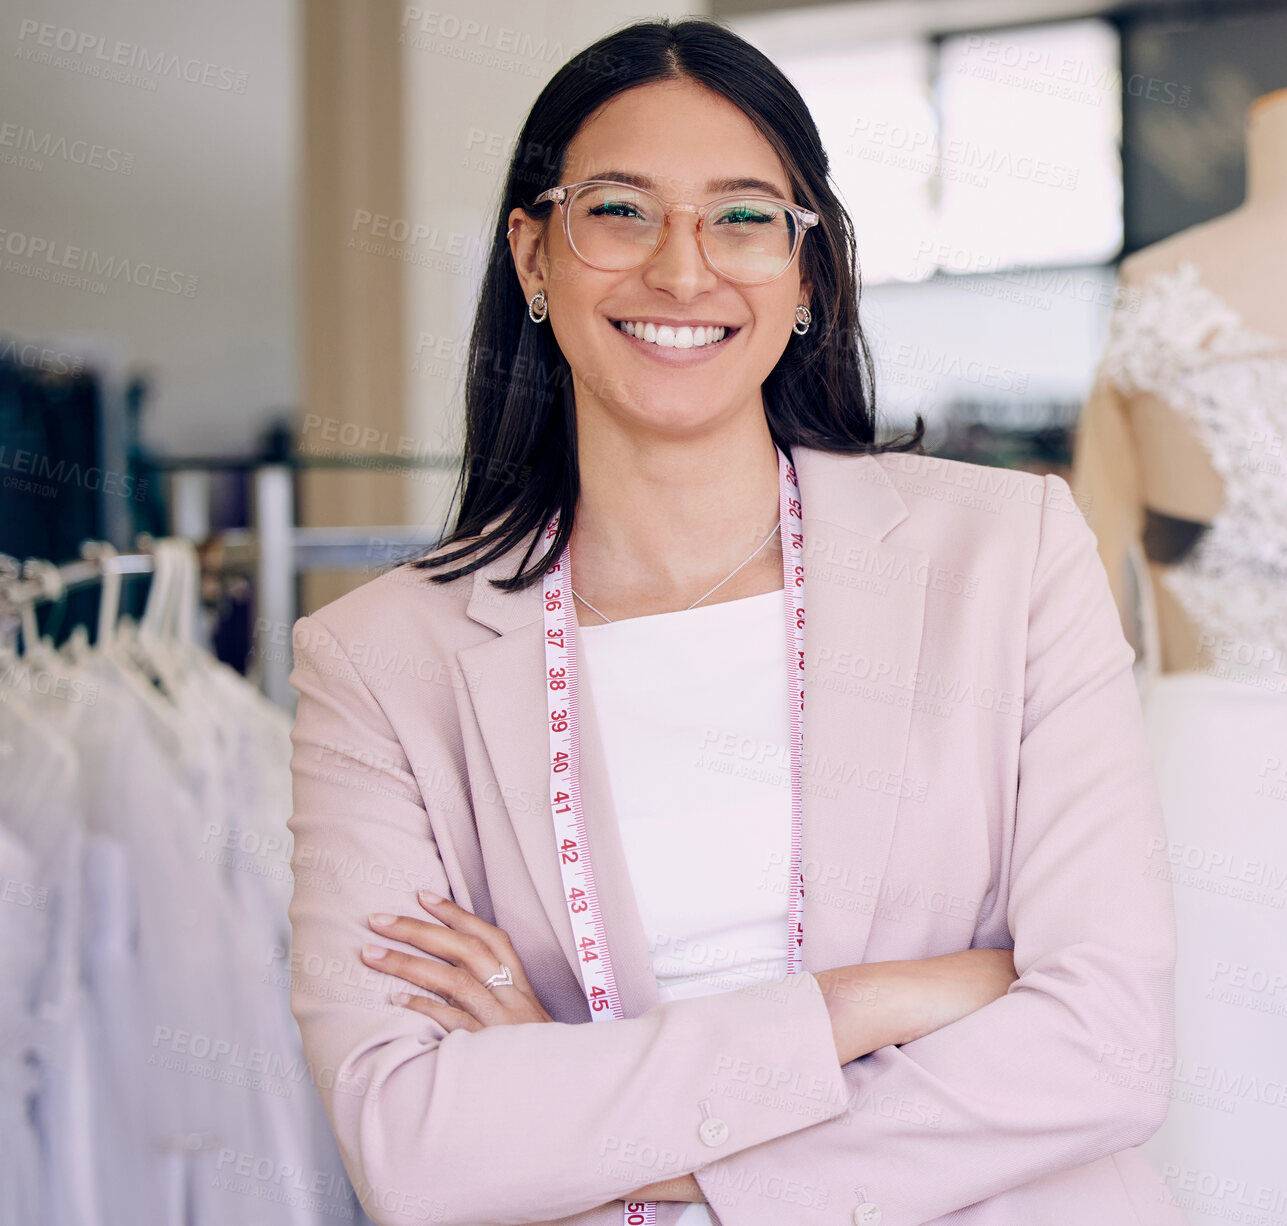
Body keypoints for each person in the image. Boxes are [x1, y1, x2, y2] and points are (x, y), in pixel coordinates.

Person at [285, 17, 1180, 1226]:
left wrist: (568, 1100)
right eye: (617, 209)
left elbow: (1105, 1045)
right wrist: (861, 1005)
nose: (682, 268)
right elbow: (414, 1146)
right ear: (532, 255)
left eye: (745, 216)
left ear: (806, 271)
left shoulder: (1008, 555)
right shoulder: (378, 660)